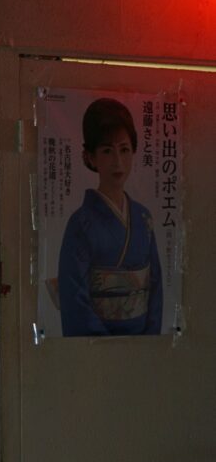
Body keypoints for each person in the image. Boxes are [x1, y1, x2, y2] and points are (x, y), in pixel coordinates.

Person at [57, 97, 163, 337]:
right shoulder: (81, 224)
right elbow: (74, 298)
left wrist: (150, 341)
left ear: (133, 151)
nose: (118, 162)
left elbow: (155, 287)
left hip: (142, 343)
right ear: (91, 157)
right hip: (99, 348)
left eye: (124, 150)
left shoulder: (143, 218)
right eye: (107, 151)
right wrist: (106, 349)